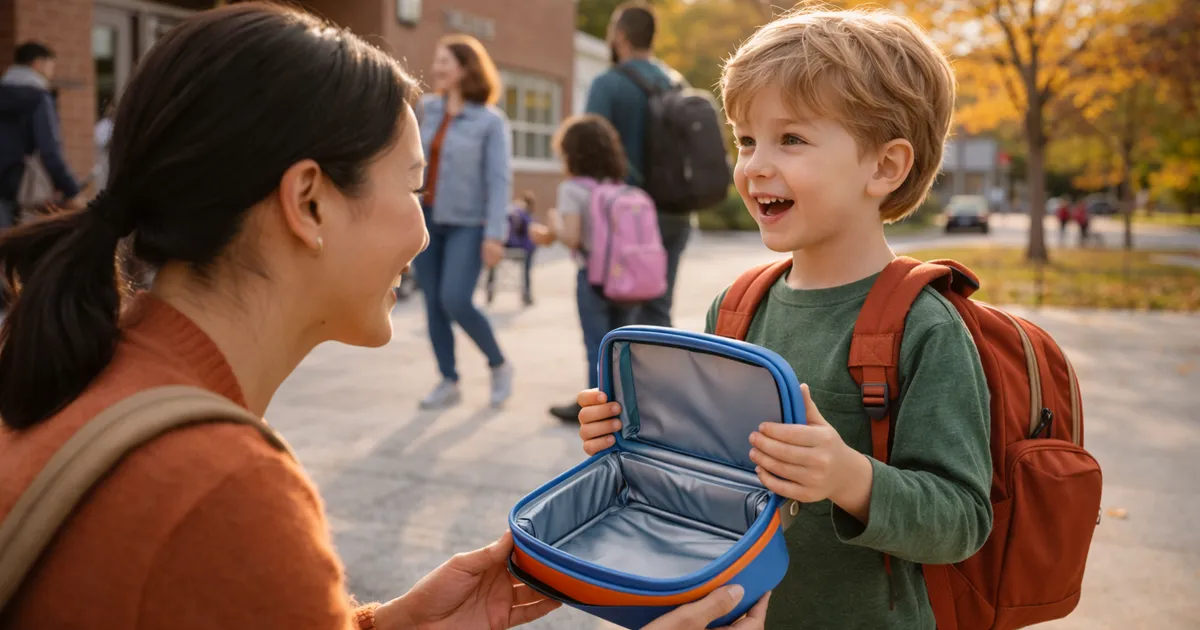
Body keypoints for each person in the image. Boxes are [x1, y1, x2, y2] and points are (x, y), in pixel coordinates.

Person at [0, 5, 767, 630]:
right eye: (411, 188)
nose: (424, 231)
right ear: (309, 202)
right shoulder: (224, 493)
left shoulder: (80, 373)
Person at [574, 7, 993, 629]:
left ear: (885, 167)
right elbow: (711, 470)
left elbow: (962, 520)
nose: (754, 165)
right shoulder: (737, 307)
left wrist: (850, 476)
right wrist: (630, 441)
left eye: (790, 139)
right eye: (745, 140)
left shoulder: (924, 327)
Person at [414, 34, 514, 410]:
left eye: (445, 62)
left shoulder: (490, 121)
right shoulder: (425, 108)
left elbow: (499, 179)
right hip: (425, 219)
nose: (437, 68)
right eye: (437, 60)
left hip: (468, 223)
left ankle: (499, 364)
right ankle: (448, 379)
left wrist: (494, 235)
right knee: (432, 303)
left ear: (466, 68)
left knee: (455, 298)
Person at [585, 1, 691, 328]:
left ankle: (625, 379)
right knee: (658, 310)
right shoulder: (676, 82)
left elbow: (589, 151)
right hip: (675, 211)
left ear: (620, 35)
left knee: (621, 316)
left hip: (626, 213)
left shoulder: (608, 84)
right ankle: (659, 377)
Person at [534, 115, 640, 422]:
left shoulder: (572, 189)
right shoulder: (618, 186)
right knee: (622, 348)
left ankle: (597, 411)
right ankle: (626, 410)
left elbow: (574, 237)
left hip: (593, 279)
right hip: (628, 280)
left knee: (597, 346)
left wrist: (552, 225)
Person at [0, 42, 83, 228]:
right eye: (51, 65)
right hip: (12, 184)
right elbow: (50, 152)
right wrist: (71, 190)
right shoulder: (38, 97)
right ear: (38, 64)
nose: (52, 73)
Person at [484, 190, 537, 306]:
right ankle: (527, 293)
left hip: (504, 243)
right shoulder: (525, 214)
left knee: (494, 259)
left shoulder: (512, 209)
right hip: (519, 246)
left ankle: (489, 288)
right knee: (528, 256)